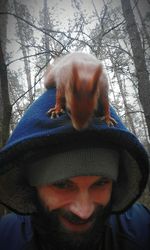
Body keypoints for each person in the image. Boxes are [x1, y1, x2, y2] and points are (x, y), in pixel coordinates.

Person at [0, 86, 149, 250]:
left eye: (101, 183)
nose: (84, 212)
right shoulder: (6, 237)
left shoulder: (141, 228)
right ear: (31, 184)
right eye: (62, 184)